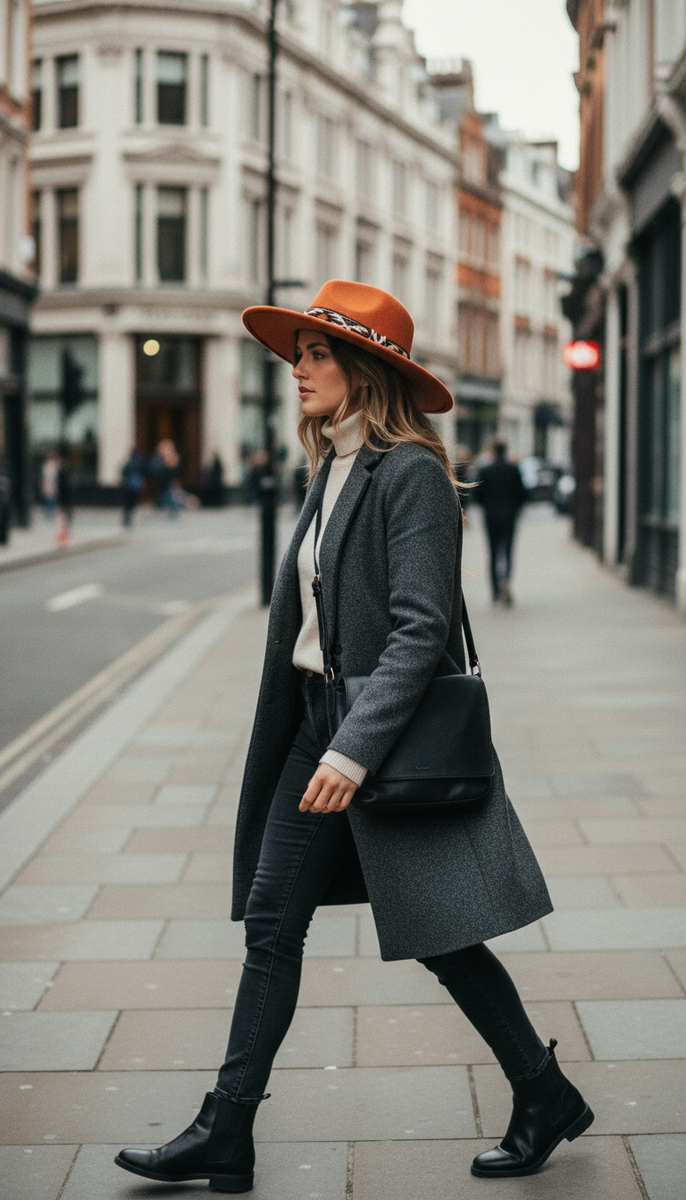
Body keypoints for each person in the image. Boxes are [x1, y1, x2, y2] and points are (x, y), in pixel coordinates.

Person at [115, 281, 593, 1191]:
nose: (297, 369)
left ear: (365, 369)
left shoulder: (408, 472)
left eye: (317, 354)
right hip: (312, 724)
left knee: (445, 934)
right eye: (297, 354)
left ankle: (543, 1091)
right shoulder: (330, 464)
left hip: (372, 738)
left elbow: (422, 627)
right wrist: (321, 737)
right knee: (271, 923)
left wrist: (352, 750)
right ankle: (227, 1128)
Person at [475, 437, 528, 605]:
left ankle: (495, 592)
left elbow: (477, 496)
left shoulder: (485, 470)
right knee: (507, 551)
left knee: (492, 553)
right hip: (509, 516)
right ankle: (506, 580)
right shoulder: (514, 469)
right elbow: (523, 494)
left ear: (492, 451)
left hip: (490, 517)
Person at [120, 448, 146, 527]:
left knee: (127, 503)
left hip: (128, 485)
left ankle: (127, 517)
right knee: (133, 503)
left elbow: (123, 471)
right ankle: (129, 517)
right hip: (135, 486)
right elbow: (144, 471)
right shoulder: (139, 463)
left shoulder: (129, 462)